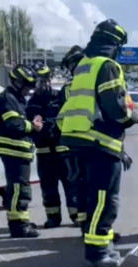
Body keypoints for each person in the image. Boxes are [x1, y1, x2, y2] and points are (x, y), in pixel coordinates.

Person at [59, 19, 137, 267]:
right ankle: (98, 251)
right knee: (105, 198)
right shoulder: (108, 66)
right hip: (100, 141)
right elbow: (116, 108)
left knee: (89, 195)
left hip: (79, 139)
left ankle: (93, 240)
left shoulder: (84, 64)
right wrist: (130, 117)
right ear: (113, 44)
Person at [0, 64, 43, 238]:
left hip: (18, 151)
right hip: (13, 151)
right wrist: (33, 126)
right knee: (20, 189)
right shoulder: (8, 98)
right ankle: (19, 226)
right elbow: (14, 124)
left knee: (19, 187)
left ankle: (20, 222)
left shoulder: (16, 99)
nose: (29, 90)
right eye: (28, 86)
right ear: (18, 83)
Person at [27, 63, 78, 228]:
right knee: (48, 188)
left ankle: (76, 215)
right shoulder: (32, 102)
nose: (41, 84)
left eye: (44, 79)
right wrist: (34, 125)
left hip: (64, 151)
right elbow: (28, 125)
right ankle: (53, 217)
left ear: (49, 79)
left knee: (71, 185)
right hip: (44, 152)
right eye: (38, 80)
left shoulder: (60, 97)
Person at [56, 46, 88, 228]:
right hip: (80, 146)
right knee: (83, 184)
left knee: (83, 184)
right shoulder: (72, 88)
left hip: (78, 144)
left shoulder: (73, 87)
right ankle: (87, 223)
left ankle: (86, 222)